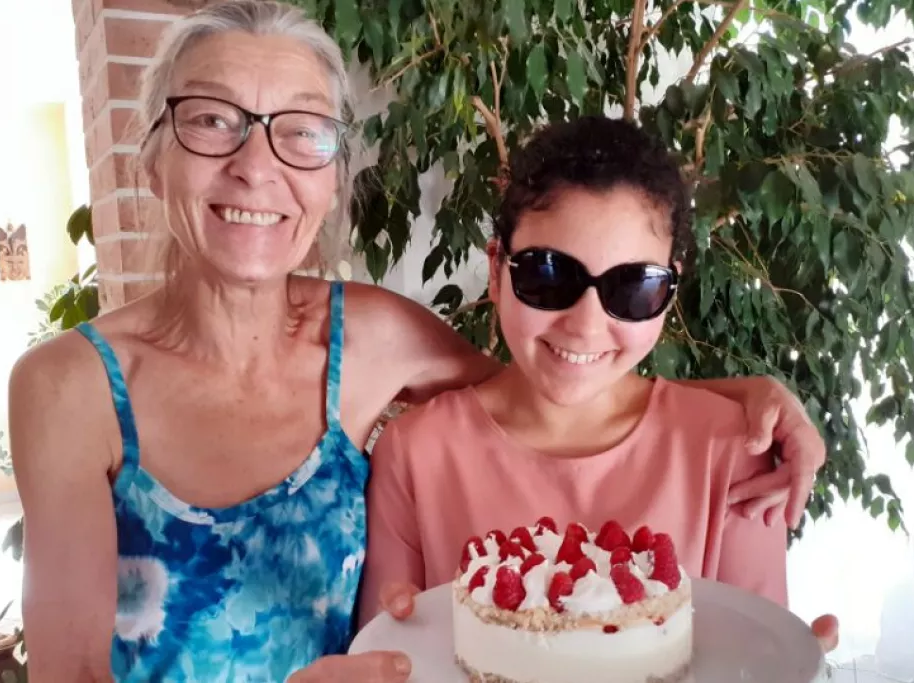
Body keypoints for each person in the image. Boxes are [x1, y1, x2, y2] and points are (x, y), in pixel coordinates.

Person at [7, 2, 828, 682]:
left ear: (333, 176)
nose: (256, 165)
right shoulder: (69, 387)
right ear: (152, 157)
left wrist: (741, 405)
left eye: (301, 131)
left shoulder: (369, 337)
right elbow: (66, 672)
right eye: (212, 120)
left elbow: (553, 380)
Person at [359, 115, 838, 650]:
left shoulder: (733, 452)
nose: (586, 325)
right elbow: (388, 658)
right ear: (496, 270)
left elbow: (752, 656)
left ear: (669, 294)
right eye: (548, 274)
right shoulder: (415, 454)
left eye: (634, 287)